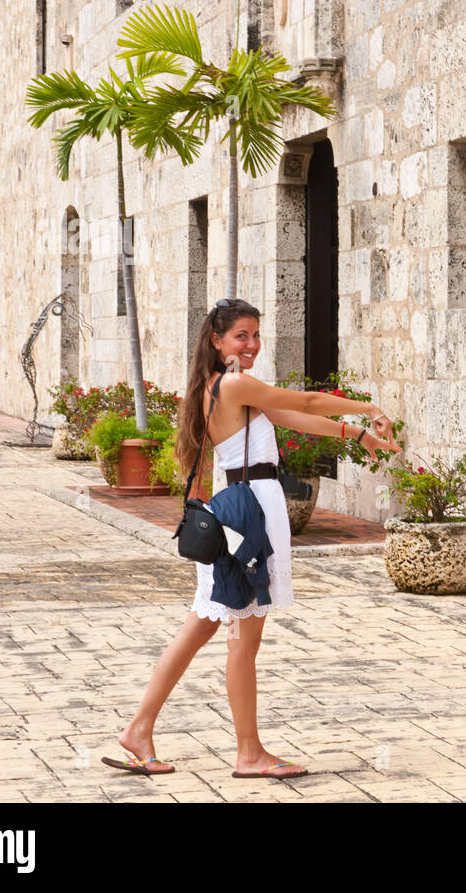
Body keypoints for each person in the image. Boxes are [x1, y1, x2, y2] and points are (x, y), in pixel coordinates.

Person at [103, 297, 401, 779]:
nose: (253, 344)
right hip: (249, 515)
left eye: (257, 335)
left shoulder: (227, 388)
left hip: (242, 509)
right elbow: (303, 400)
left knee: (202, 626)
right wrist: (370, 407)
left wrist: (356, 434)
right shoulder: (234, 383)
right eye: (242, 335)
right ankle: (248, 754)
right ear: (218, 341)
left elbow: (294, 417)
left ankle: (139, 728)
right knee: (243, 638)